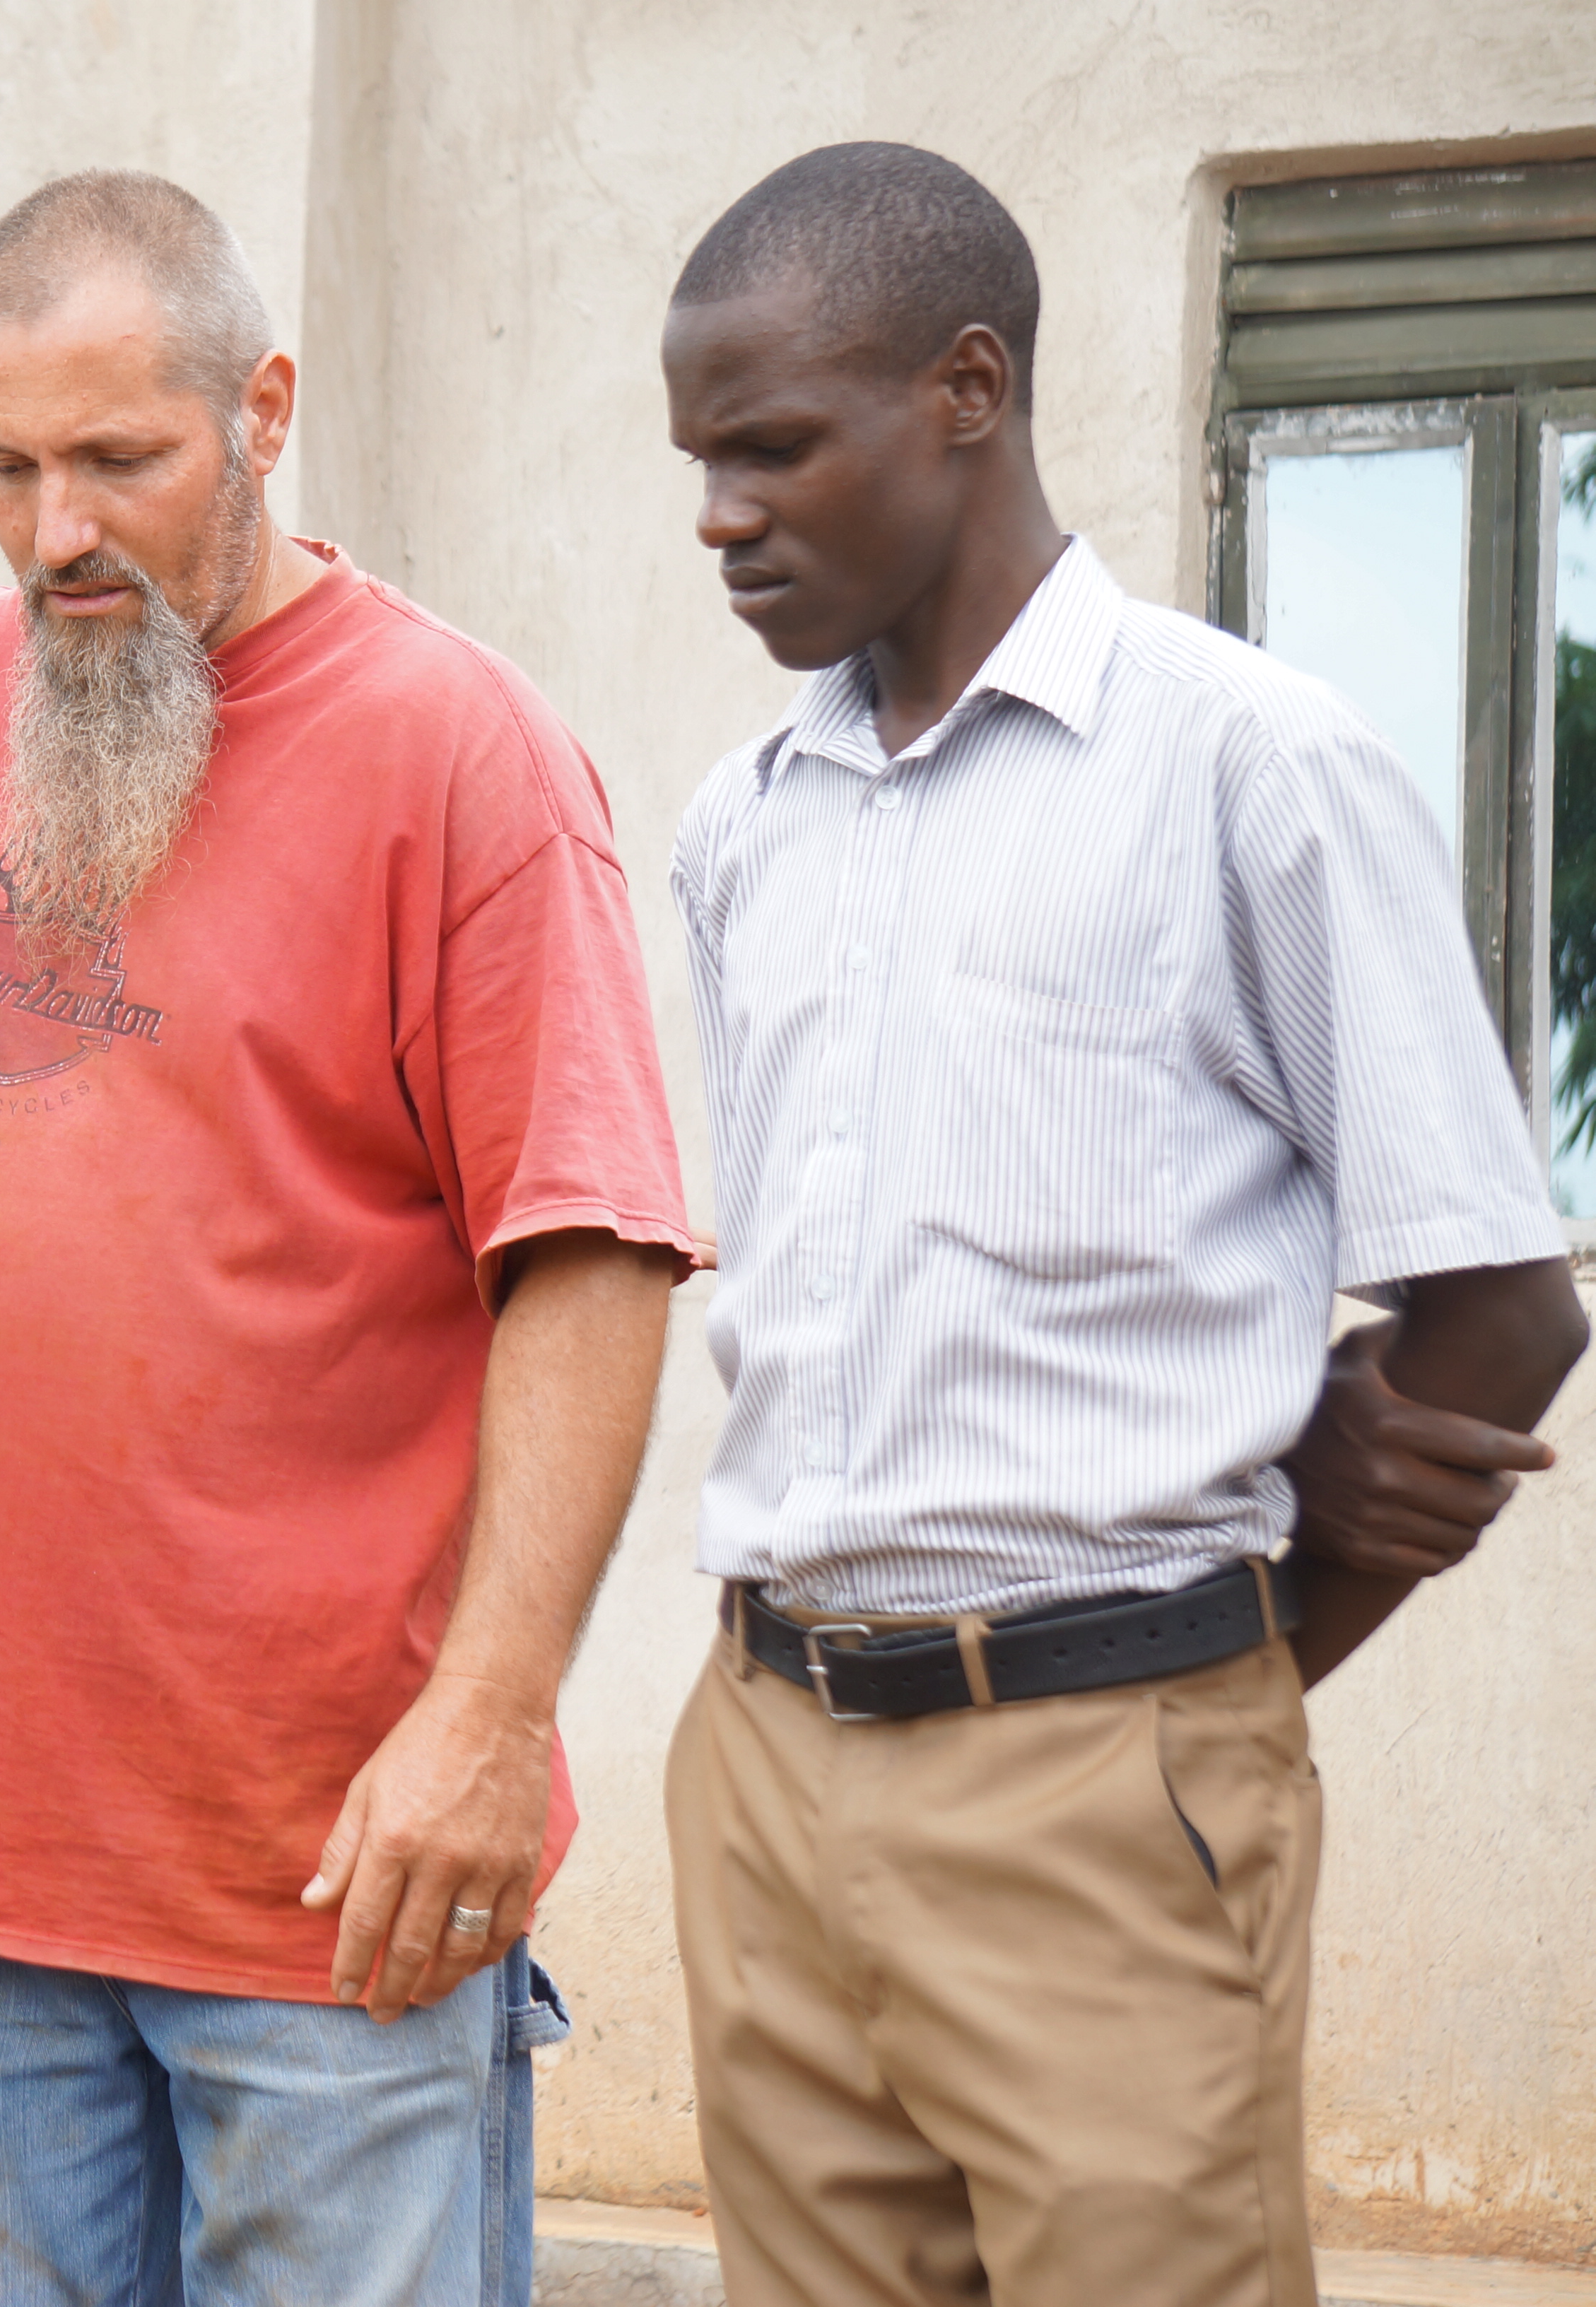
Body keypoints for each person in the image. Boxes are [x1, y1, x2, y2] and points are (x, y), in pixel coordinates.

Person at [657, 143, 1587, 2307]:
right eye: (702, 461)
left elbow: (1501, 1303)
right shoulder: (745, 824)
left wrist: (1225, 1668)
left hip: (1103, 1766)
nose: (719, 514)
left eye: (773, 447)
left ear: (967, 390)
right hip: (768, 1753)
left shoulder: (1250, 767)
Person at [0, 171, 693, 2305]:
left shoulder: (463, 758)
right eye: (6, 468)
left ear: (263, 409)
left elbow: (591, 1257)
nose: (56, 534)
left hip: (340, 1887)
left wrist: (492, 1718)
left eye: (122, 460)